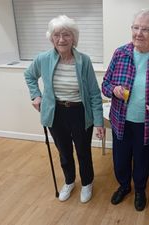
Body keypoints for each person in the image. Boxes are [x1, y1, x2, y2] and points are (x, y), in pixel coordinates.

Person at [102, 9, 149, 211]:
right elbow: (105, 84)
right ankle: (124, 186)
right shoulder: (121, 53)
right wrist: (114, 90)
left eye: (145, 29)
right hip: (121, 119)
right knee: (120, 159)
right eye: (136, 28)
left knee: (143, 159)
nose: (139, 33)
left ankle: (140, 191)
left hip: (148, 121)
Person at [24, 15, 104, 203]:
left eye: (66, 34)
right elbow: (29, 75)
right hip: (56, 113)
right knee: (64, 151)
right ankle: (69, 181)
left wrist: (99, 121)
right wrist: (36, 95)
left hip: (80, 113)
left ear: (73, 38)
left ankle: (87, 183)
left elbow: (94, 93)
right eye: (57, 35)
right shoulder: (43, 59)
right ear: (51, 38)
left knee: (83, 151)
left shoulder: (83, 61)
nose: (61, 39)